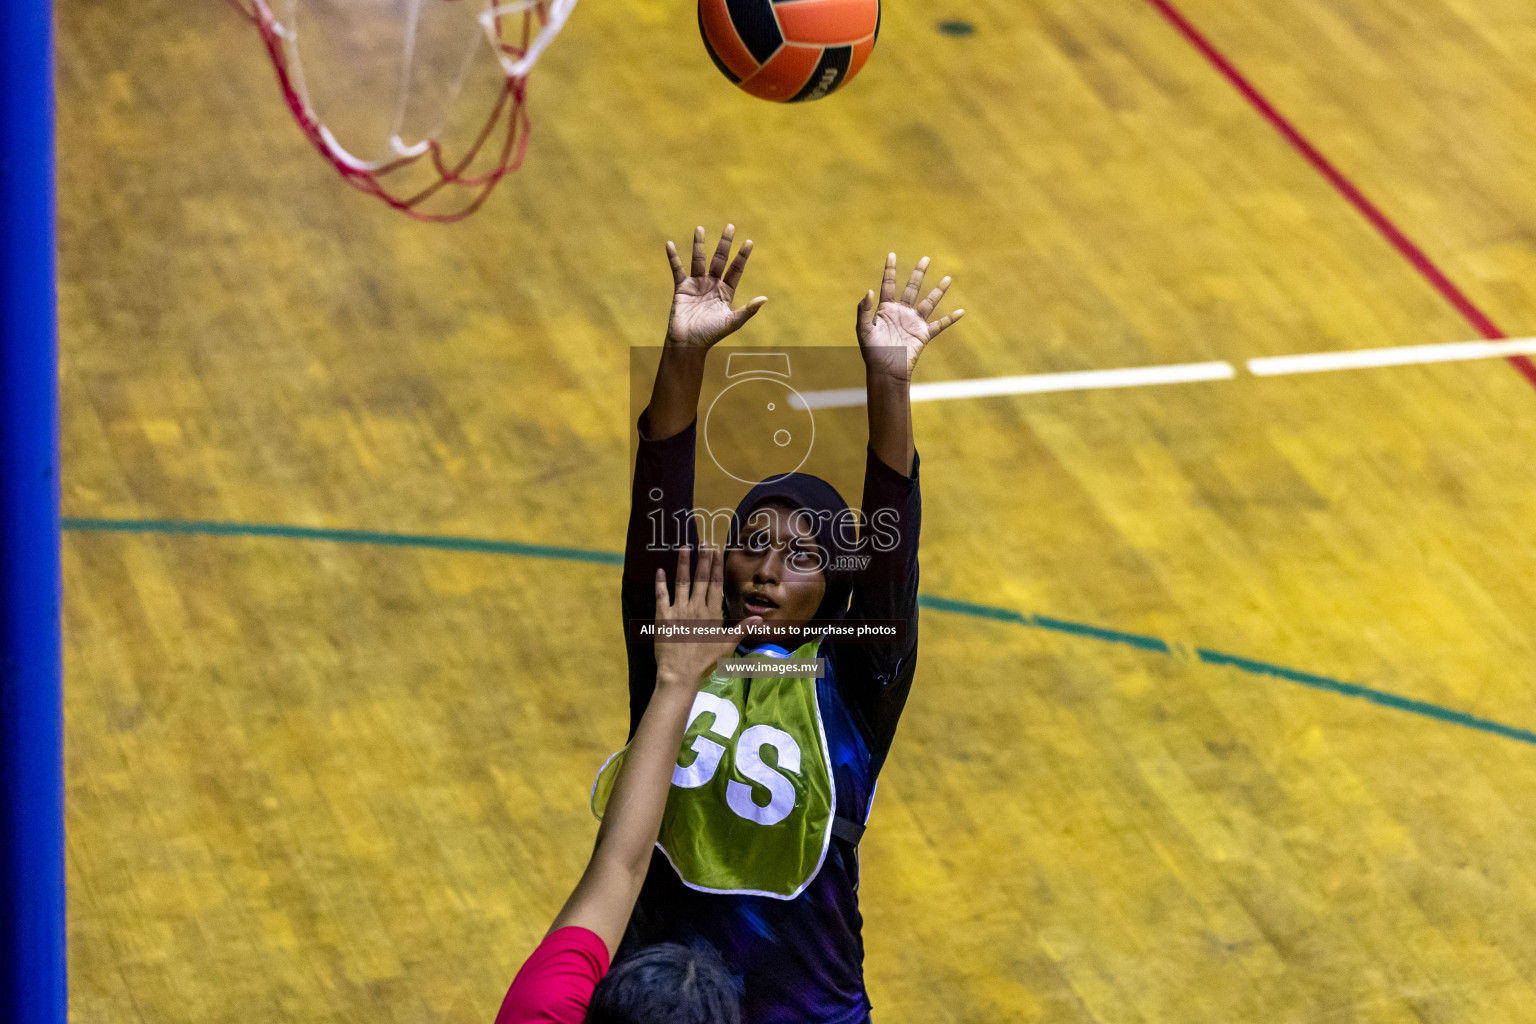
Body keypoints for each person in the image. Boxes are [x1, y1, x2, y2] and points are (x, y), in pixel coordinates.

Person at [595, 224, 963, 1024]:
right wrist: (685, 353)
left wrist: (888, 383)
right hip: (657, 1011)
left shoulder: (854, 678)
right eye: (753, 543)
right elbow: (656, 495)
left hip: (804, 1012)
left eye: (800, 555)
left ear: (837, 586)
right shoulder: (677, 649)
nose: (766, 566)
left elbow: (894, 555)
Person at [496, 546, 743, 1024]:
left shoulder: (542, 1010)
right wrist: (677, 679)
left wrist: (675, 680)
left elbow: (621, 865)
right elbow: (621, 865)